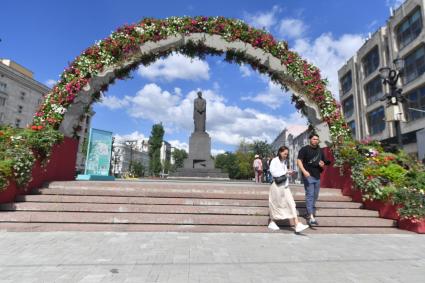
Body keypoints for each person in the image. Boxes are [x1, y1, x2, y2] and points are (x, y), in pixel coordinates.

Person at [268, 146, 309, 233]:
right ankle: (272, 222)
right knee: (277, 205)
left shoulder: (284, 162)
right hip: (277, 187)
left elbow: (283, 174)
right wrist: (286, 172)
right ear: (280, 152)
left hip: (285, 186)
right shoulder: (274, 161)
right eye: (284, 153)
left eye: (287, 154)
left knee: (291, 203)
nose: (285, 155)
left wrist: (289, 173)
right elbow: (274, 173)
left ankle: (297, 224)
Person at [297, 133, 330, 226]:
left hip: (317, 175)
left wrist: (323, 163)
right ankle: (311, 216)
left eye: (317, 139)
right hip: (308, 175)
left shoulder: (320, 150)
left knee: (315, 195)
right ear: (310, 140)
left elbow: (325, 161)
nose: (316, 140)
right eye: (314, 139)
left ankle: (310, 210)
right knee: (310, 194)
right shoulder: (304, 149)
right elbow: (299, 160)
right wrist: (304, 171)